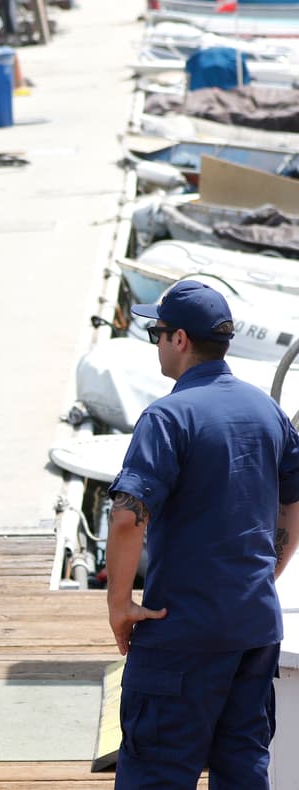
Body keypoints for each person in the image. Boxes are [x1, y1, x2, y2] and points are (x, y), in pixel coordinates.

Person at [107, 279, 299, 788]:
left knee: (157, 772)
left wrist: (120, 604)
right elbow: (294, 500)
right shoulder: (268, 411)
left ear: (180, 341)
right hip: (253, 630)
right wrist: (269, 570)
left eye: (157, 333)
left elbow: (128, 515)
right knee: (243, 768)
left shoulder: (167, 417)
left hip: (181, 634)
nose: (156, 343)